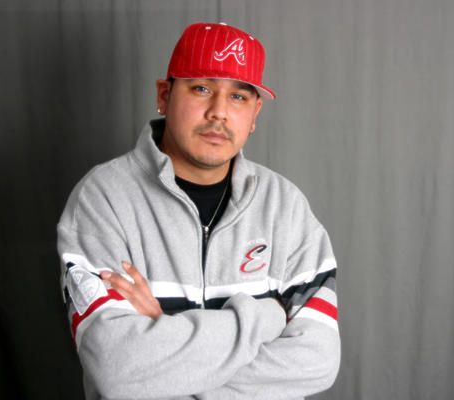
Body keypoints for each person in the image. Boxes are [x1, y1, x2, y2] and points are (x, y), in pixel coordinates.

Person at [57, 22, 340, 400]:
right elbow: (117, 369)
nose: (219, 112)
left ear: (255, 113)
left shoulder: (286, 207)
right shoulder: (103, 199)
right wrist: (267, 316)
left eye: (238, 96)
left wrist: (164, 336)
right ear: (164, 95)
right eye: (202, 88)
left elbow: (317, 361)